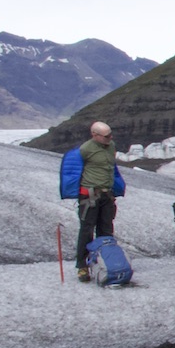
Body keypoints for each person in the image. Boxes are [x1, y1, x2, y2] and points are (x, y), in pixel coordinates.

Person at [63, 121, 124, 283]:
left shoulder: (111, 146)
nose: (110, 138)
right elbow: (74, 171)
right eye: (106, 136)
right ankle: (82, 266)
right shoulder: (85, 150)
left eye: (110, 135)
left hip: (107, 196)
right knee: (86, 230)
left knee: (106, 230)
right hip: (90, 196)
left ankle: (105, 263)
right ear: (94, 135)